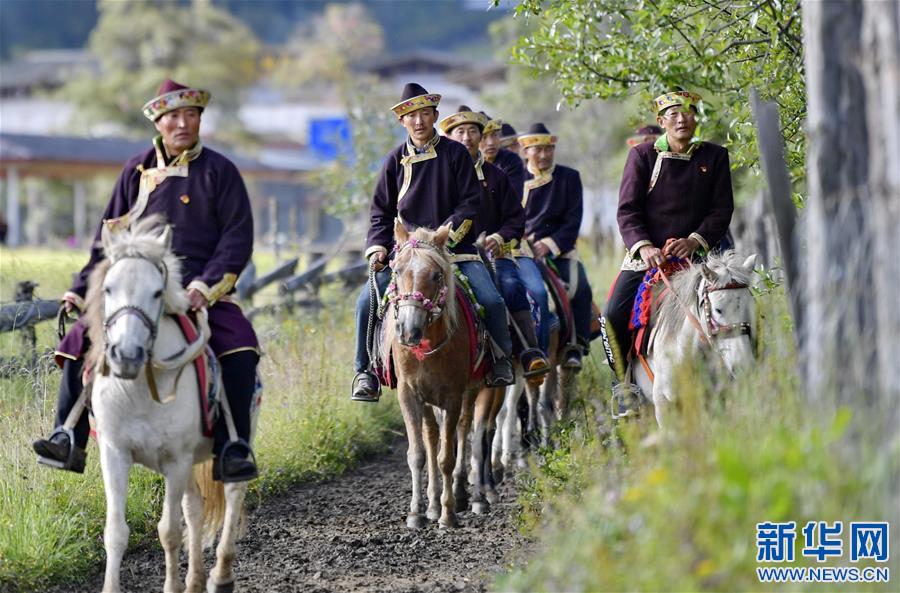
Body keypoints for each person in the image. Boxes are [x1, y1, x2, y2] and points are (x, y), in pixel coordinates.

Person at [32, 80, 260, 481]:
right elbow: (108, 240)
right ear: (159, 122)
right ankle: (69, 435)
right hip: (138, 288)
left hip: (197, 290)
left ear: (200, 120)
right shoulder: (135, 170)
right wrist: (82, 285)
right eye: (173, 116)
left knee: (239, 347)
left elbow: (236, 238)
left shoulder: (221, 171)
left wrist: (204, 288)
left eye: (191, 115)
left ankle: (232, 447)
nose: (182, 124)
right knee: (76, 342)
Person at [350, 83, 516, 403]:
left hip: (455, 250)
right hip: (407, 254)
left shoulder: (456, 154)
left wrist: (444, 237)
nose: (419, 121)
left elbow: (471, 203)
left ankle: (500, 360)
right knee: (365, 302)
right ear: (402, 122)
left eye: (425, 114)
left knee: (492, 300)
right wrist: (379, 247)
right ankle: (364, 371)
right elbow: (380, 213)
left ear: (436, 117)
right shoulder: (393, 161)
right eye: (411, 116)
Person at [602, 90, 734, 418]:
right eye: (673, 114)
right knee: (612, 315)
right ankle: (625, 386)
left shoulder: (715, 156)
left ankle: (737, 374)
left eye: (687, 112)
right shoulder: (643, 156)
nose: (681, 118)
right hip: (649, 256)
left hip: (698, 256)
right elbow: (627, 211)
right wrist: (645, 246)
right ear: (662, 122)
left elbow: (721, 210)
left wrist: (693, 240)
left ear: (696, 117)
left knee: (735, 304)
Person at [438, 105, 550, 380]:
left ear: (481, 136)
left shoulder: (496, 176)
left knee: (510, 286)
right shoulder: (436, 175)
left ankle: (527, 352)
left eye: (472, 131)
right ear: (449, 138)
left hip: (492, 254)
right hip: (441, 254)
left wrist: (499, 238)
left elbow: (515, 218)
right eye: (459, 132)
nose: (466, 137)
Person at [517, 123, 594, 369]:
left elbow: (573, 220)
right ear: (525, 152)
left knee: (580, 288)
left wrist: (549, 245)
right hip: (520, 251)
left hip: (559, 249)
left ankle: (576, 345)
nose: (543, 154)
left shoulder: (569, 177)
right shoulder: (514, 177)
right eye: (537, 149)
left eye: (548, 149)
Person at [480, 113, 525, 201]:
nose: (491, 142)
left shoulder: (511, 161)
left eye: (494, 135)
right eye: (484, 137)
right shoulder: (465, 162)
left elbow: (512, 199)